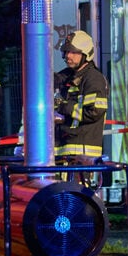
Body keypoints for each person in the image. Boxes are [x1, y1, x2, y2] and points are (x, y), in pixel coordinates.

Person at [55, 31, 109, 161]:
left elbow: (94, 112)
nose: (68, 56)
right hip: (65, 148)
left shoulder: (94, 79)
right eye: (66, 52)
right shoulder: (68, 75)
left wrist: (64, 107)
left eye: (73, 52)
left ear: (86, 54)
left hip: (82, 151)